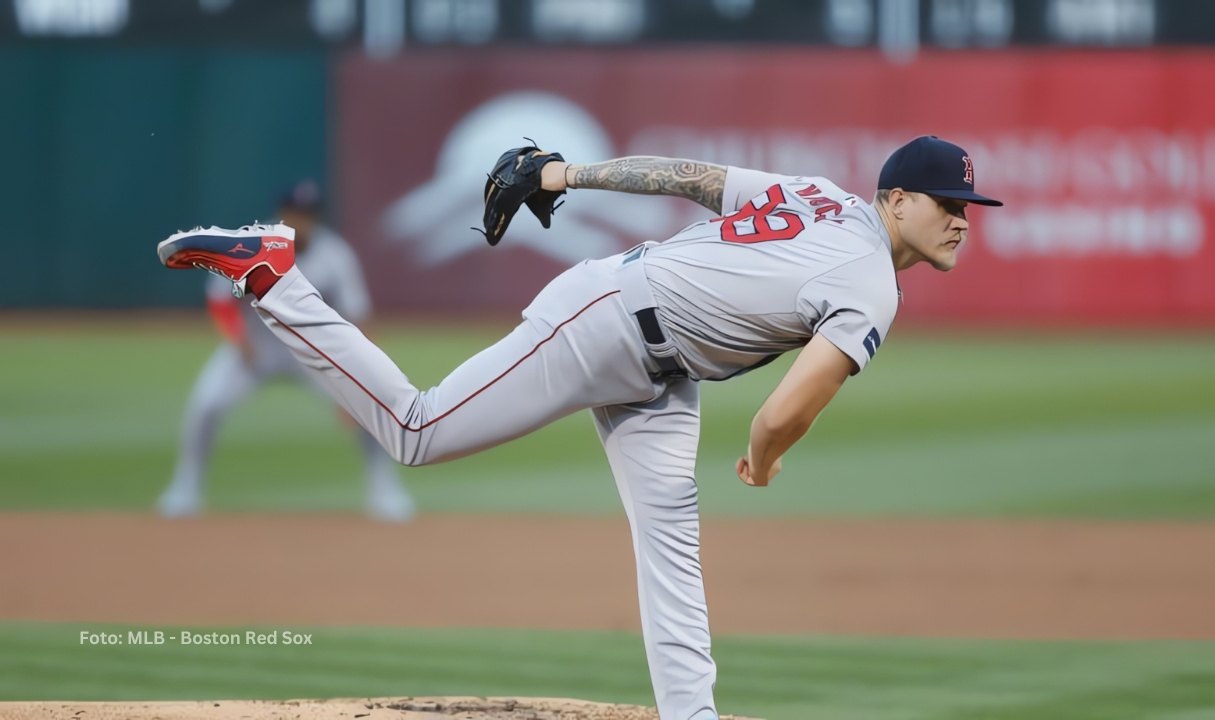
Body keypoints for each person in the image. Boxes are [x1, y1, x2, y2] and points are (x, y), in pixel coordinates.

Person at [156, 136, 1001, 719]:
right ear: (893, 199)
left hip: (658, 367)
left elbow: (691, 177)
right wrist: (764, 458)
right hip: (606, 322)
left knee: (670, 537)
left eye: (969, 201)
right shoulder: (872, 283)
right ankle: (271, 275)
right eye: (944, 200)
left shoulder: (818, 197)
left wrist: (564, 175)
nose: (961, 214)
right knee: (419, 430)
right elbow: (788, 408)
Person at [156, 180, 416, 522]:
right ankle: (185, 487)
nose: (301, 220)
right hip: (255, 350)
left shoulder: (334, 255)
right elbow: (220, 300)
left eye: (308, 214)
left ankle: (384, 489)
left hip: (313, 355)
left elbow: (360, 317)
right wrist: (239, 341)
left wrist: (363, 376)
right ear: (281, 214)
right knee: (206, 404)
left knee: (370, 406)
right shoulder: (251, 246)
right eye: (295, 213)